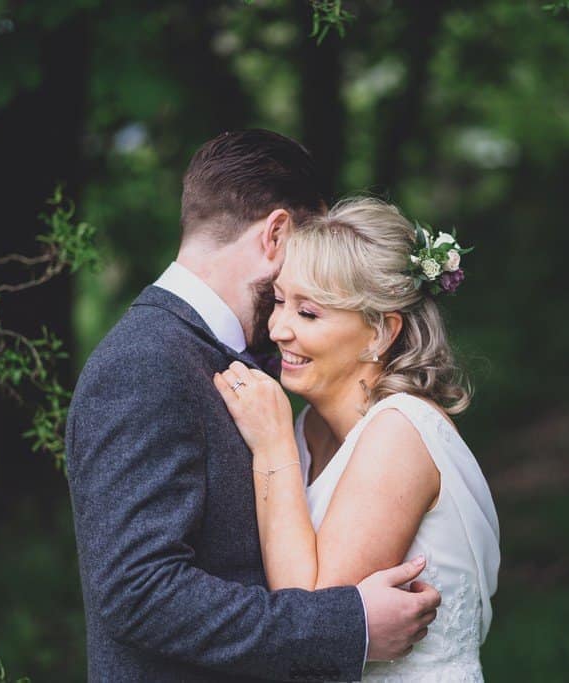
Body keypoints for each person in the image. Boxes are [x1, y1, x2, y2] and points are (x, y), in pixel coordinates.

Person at [65, 130, 441, 682]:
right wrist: (347, 626)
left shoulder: (256, 361)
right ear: (277, 233)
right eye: (308, 249)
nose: (310, 273)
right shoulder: (142, 363)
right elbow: (137, 591)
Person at [213, 197, 501, 682]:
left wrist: (272, 444)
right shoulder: (311, 429)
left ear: (379, 333)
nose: (278, 328)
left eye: (308, 313)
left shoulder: (399, 431)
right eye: (280, 301)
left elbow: (314, 616)